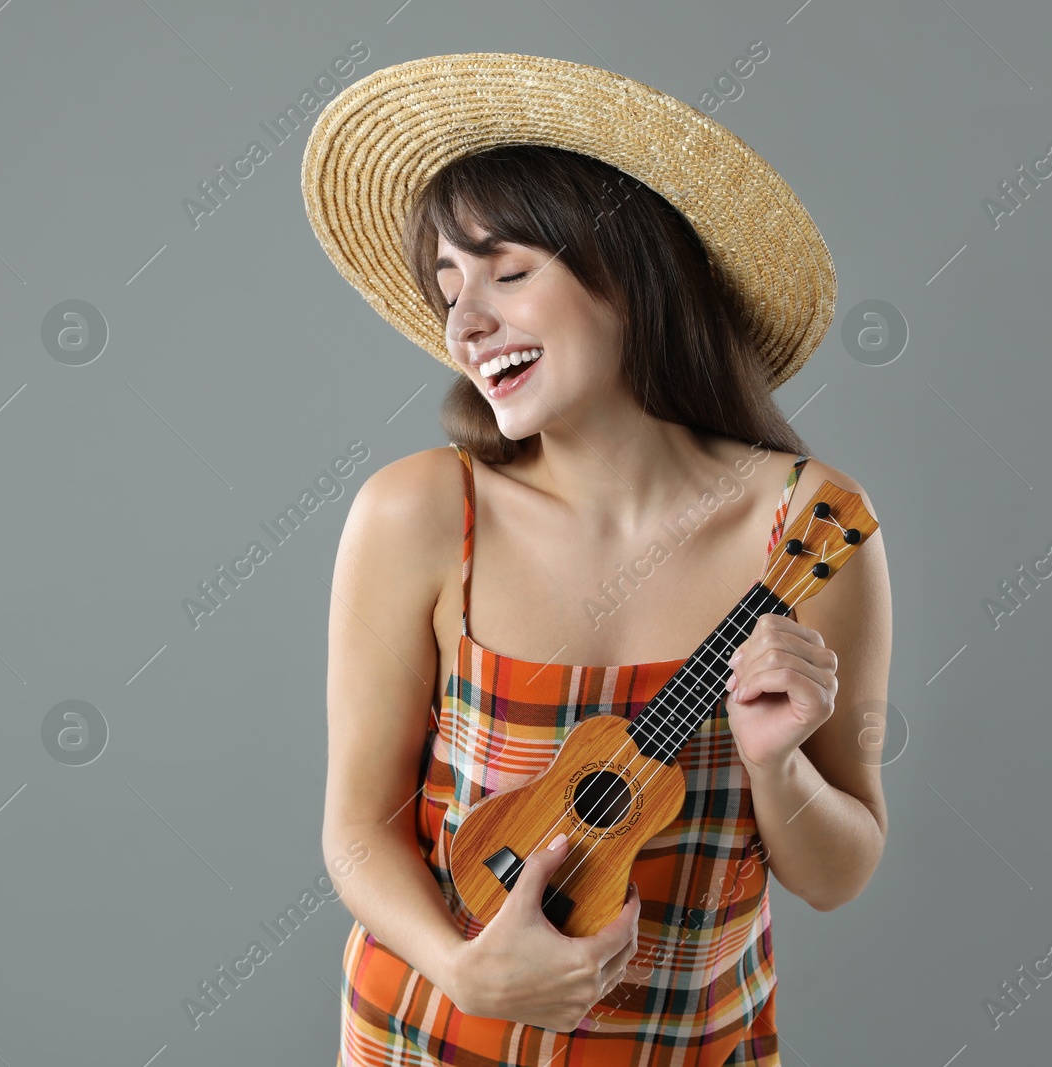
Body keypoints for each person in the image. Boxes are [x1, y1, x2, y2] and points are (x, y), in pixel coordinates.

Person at [302, 53, 892, 1067]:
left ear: (630, 275)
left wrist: (775, 760)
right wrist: (461, 965)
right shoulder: (419, 513)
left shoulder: (807, 531)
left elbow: (839, 870)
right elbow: (357, 827)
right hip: (427, 1036)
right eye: (447, 288)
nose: (466, 320)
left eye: (508, 271)